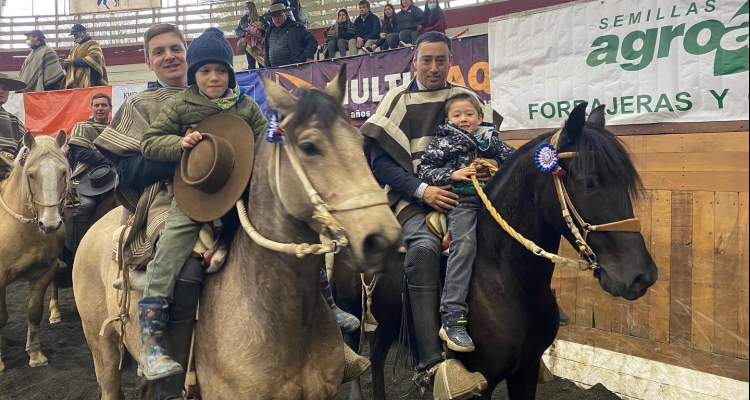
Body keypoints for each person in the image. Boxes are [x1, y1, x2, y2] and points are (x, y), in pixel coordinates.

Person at [360, 31, 488, 396]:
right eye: (426, 60)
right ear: (414, 61)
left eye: (441, 60)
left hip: (468, 196)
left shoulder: (467, 100)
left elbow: (492, 142)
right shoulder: (397, 100)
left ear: (451, 62)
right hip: (412, 198)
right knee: (425, 249)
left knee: (505, 235)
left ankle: (528, 330)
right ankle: (430, 364)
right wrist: (424, 190)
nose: (434, 67)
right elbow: (380, 163)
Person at [417, 93, 514, 352]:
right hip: (463, 203)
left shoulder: (491, 139)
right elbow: (424, 170)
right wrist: (453, 174)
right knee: (465, 245)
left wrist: (495, 162)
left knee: (521, 235)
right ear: (448, 119)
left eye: (469, 114)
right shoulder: (443, 141)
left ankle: (536, 298)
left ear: (480, 117)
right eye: (457, 115)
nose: (463, 119)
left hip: (493, 201)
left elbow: (513, 160)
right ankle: (452, 316)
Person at [68, 93, 115, 255]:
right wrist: (111, 158)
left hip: (115, 175)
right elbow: (83, 155)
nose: (100, 108)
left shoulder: (116, 128)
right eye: (97, 105)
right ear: (91, 108)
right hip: (86, 178)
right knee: (87, 205)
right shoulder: (81, 127)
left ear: (110, 108)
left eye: (104, 105)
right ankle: (80, 248)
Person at [263, 0, 317, 68]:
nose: (276, 18)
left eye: (279, 15)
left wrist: (309, 56)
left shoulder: (296, 27)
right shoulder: (269, 31)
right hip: (274, 72)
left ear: (285, 13)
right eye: (274, 16)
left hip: (295, 70)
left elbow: (312, 39)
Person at [62, 24, 109, 89]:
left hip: (91, 80)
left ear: (84, 32)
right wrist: (65, 63)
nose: (75, 37)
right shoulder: (74, 48)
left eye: (76, 34)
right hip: (76, 83)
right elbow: (70, 61)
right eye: (74, 35)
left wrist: (73, 61)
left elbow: (94, 59)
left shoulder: (93, 43)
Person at [0, 74, 28, 180]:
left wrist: (17, 161)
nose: (2, 91)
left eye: (5, 88)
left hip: (10, 177)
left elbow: (26, 148)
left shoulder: (14, 121)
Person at [235, 1, 268, 70]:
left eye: (246, 7)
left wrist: (258, 30)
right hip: (249, 46)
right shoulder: (242, 20)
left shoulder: (260, 19)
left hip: (260, 45)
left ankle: (263, 79)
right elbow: (237, 31)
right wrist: (244, 33)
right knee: (251, 65)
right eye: (244, 8)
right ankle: (252, 80)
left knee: (261, 64)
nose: (245, 9)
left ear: (251, 8)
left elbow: (267, 28)